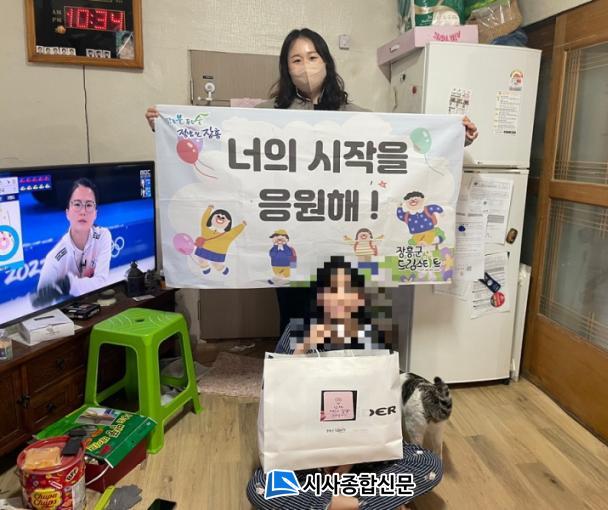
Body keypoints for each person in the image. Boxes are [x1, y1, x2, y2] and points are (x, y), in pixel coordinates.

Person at [145, 28, 478, 333]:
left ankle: (334, 375)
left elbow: (402, 149)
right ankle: (292, 373)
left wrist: (453, 138)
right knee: (294, 320)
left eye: (313, 57)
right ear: (287, 68)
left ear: (326, 62)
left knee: (340, 320)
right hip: (292, 237)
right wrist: (168, 127)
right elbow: (221, 141)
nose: (306, 66)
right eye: (296, 60)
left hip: (339, 240)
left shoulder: (355, 116)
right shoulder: (267, 114)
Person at [246, 257, 443, 510]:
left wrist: (347, 461)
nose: (339, 299)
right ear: (320, 298)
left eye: (348, 291)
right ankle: (360, 503)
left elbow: (379, 405)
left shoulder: (371, 338)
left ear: (359, 298)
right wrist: (304, 347)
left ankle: (338, 503)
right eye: (331, 291)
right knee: (260, 488)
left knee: (429, 465)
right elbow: (275, 394)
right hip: (304, 453)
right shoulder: (297, 332)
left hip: (361, 452)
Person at [34, 178, 112, 305]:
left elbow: (101, 282)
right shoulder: (54, 259)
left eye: (89, 205)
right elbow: (41, 301)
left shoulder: (103, 236)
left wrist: (69, 284)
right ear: (67, 213)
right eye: (77, 204)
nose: (83, 212)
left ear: (95, 213)